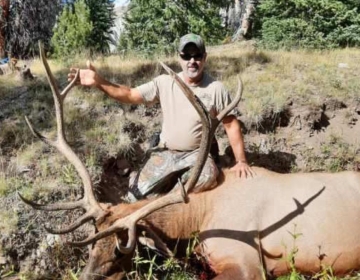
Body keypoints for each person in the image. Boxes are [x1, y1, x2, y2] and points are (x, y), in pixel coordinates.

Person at [68, 33, 254, 202]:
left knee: (208, 176)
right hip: (166, 152)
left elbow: (231, 125)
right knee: (134, 197)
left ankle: (167, 201)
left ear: (204, 58)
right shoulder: (165, 82)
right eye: (186, 56)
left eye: (197, 56)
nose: (192, 61)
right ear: (179, 58)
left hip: (196, 155)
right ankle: (161, 193)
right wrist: (99, 82)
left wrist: (242, 161)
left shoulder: (215, 89)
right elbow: (130, 94)